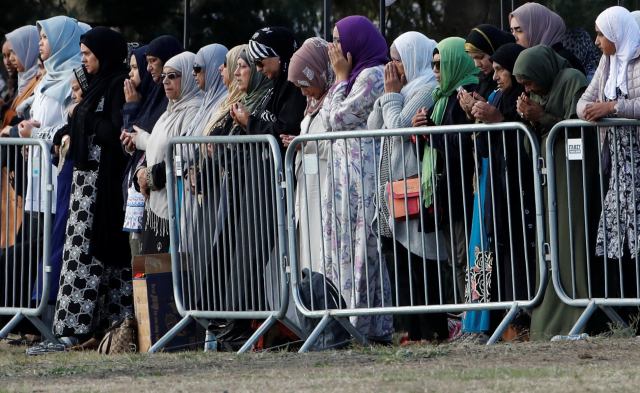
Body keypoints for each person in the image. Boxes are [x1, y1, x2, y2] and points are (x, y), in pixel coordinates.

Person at [48, 27, 132, 352]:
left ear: (105, 53)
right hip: (85, 188)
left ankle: (108, 328)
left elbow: (116, 133)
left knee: (105, 259)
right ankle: (85, 330)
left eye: (87, 54)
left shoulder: (116, 85)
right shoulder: (95, 84)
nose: (83, 59)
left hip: (104, 187)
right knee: (82, 257)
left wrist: (87, 120)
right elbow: (77, 120)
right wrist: (62, 135)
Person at [366, 31, 448, 343]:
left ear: (413, 59)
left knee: (421, 263)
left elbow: (398, 127)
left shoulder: (426, 87)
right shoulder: (402, 89)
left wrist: (391, 94)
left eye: (397, 60)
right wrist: (387, 95)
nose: (392, 66)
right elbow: (376, 127)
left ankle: (432, 331)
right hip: (395, 191)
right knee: (402, 266)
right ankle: (414, 331)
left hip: (415, 189)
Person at [512, 45, 594, 340]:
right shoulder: (536, 91)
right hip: (547, 176)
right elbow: (529, 144)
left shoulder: (571, 79)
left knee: (570, 239)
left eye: (529, 81)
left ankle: (574, 315)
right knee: (549, 244)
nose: (528, 87)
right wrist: (529, 119)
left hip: (572, 176)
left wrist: (543, 115)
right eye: (523, 83)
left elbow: (578, 130)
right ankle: (547, 320)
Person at [320, 15, 392, 343]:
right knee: (347, 248)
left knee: (364, 249)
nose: (335, 47)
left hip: (362, 179)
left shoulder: (372, 76)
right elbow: (326, 117)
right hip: (345, 180)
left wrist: (338, 78)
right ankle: (353, 322)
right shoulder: (353, 78)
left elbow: (336, 118)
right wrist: (340, 81)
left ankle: (366, 326)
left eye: (338, 39)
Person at [463, 43, 537, 341]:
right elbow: (484, 150)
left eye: (500, 70)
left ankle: (521, 326)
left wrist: (499, 121)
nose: (495, 77)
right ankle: (504, 326)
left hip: (519, 192)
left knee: (519, 257)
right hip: (497, 189)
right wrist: (478, 118)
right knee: (501, 253)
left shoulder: (521, 99)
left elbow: (524, 145)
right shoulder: (499, 97)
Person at [411, 37, 479, 341]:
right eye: (432, 64)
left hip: (464, 191)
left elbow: (461, 146)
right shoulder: (441, 98)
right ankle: (467, 320)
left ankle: (473, 322)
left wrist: (433, 134)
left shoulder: (464, 95)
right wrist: (422, 135)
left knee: (467, 259)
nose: (436, 70)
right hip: (446, 193)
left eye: (440, 64)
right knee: (456, 261)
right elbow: (432, 154)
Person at [577, 6, 640, 310]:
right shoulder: (607, 61)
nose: (596, 40)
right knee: (619, 234)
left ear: (617, 34)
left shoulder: (638, 58)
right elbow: (584, 103)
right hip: (616, 163)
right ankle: (627, 313)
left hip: (637, 162)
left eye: (601, 34)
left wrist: (612, 108)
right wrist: (593, 112)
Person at [120, 36, 184, 260]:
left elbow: (164, 143)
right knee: (142, 268)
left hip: (164, 202)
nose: (148, 69)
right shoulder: (150, 99)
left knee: (157, 273)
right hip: (143, 195)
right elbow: (131, 140)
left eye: (152, 61)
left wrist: (140, 137)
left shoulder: (173, 104)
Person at [133, 52, 203, 254]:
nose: (165, 81)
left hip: (176, 208)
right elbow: (155, 146)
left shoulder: (194, 110)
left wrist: (151, 177)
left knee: (165, 279)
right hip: (155, 207)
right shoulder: (169, 111)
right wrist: (141, 171)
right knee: (148, 277)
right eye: (164, 76)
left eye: (173, 75)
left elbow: (183, 154)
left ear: (189, 76)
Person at [281, 37, 334, 276]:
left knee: (322, 254)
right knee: (308, 256)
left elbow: (339, 145)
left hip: (325, 190)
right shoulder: (312, 105)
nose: (303, 91)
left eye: (305, 84)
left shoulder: (335, 103)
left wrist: (304, 144)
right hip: (308, 190)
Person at [233, 27, 306, 154]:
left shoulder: (296, 86)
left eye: (259, 62)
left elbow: (286, 132)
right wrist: (246, 125)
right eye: (255, 64)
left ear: (279, 54)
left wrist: (251, 122)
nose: (259, 69)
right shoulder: (278, 84)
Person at [509, 2, 586, 75]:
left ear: (538, 29)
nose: (514, 37)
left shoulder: (561, 62)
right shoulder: (535, 60)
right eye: (512, 31)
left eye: (519, 30)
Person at [459, 24, 515, 121]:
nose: (476, 64)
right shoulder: (483, 80)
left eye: (480, 57)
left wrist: (495, 117)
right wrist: (471, 113)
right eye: (473, 59)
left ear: (494, 50)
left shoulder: (513, 81)